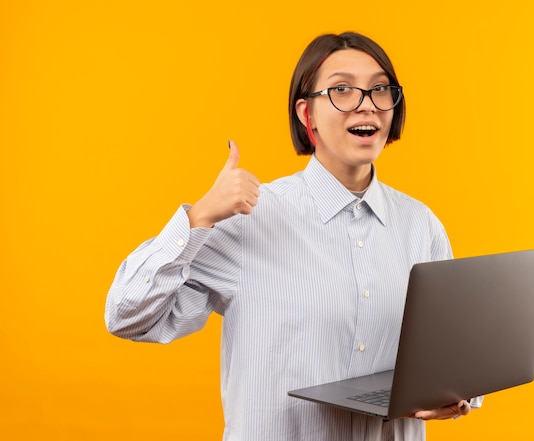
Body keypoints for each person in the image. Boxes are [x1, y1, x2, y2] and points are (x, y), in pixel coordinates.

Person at [105, 31, 482, 441]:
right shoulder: (250, 217)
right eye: (342, 89)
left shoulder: (420, 226)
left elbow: (450, 358)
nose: (366, 104)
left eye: (379, 89)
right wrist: (199, 217)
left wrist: (457, 393)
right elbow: (127, 316)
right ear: (307, 114)